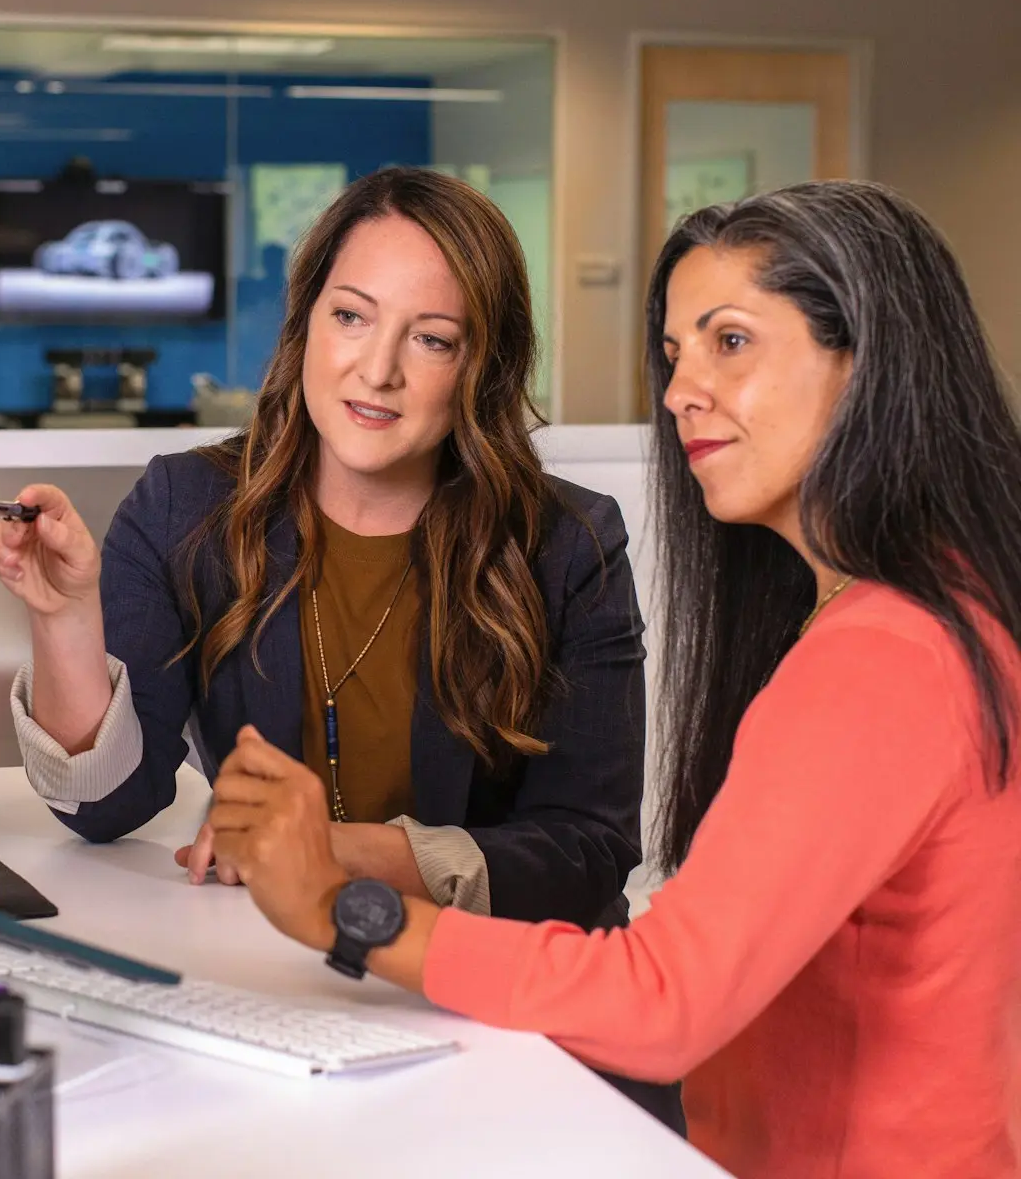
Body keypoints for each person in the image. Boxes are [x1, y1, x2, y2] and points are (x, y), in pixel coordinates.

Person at [205, 180, 1021, 1178]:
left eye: (729, 341)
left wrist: (341, 908)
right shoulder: (939, 605)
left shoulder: (884, 655)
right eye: (674, 354)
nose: (679, 390)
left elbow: (660, 1000)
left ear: (867, 364)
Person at [0, 166, 682, 1129]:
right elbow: (109, 806)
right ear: (307, 322)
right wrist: (65, 616)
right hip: (288, 1002)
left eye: (431, 339)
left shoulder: (568, 542)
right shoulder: (187, 508)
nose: (377, 370)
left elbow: (589, 849)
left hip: (507, 1020)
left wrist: (341, 859)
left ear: (481, 366)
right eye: (352, 317)